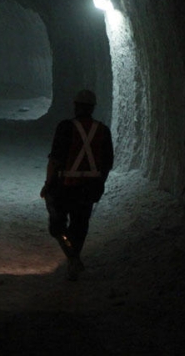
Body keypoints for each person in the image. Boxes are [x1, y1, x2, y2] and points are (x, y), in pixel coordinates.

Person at [40, 89, 114, 281]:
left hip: (65, 185)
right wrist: (100, 184)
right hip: (89, 187)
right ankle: (74, 260)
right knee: (80, 226)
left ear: (76, 106)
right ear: (92, 108)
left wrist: (48, 184)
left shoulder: (65, 127)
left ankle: (72, 257)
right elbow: (107, 163)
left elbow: (55, 159)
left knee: (57, 226)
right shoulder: (103, 130)